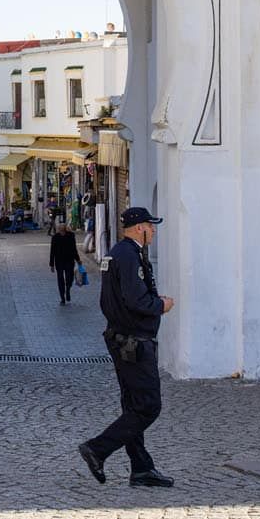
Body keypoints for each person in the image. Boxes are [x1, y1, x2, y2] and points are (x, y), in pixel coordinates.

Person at [78, 206, 174, 489]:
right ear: (139, 228)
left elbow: (108, 301)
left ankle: (142, 468)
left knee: (132, 405)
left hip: (121, 339)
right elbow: (136, 300)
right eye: (151, 226)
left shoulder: (116, 254)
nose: (154, 231)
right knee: (148, 407)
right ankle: (98, 448)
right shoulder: (130, 256)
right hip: (134, 342)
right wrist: (161, 306)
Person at [50, 221, 80, 306]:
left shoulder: (71, 236)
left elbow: (74, 249)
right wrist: (51, 264)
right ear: (58, 230)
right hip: (59, 261)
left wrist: (78, 259)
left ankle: (68, 289)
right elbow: (52, 251)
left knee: (69, 277)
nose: (61, 231)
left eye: (63, 229)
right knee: (60, 279)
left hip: (69, 260)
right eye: (60, 229)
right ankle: (62, 298)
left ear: (65, 229)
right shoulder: (55, 237)